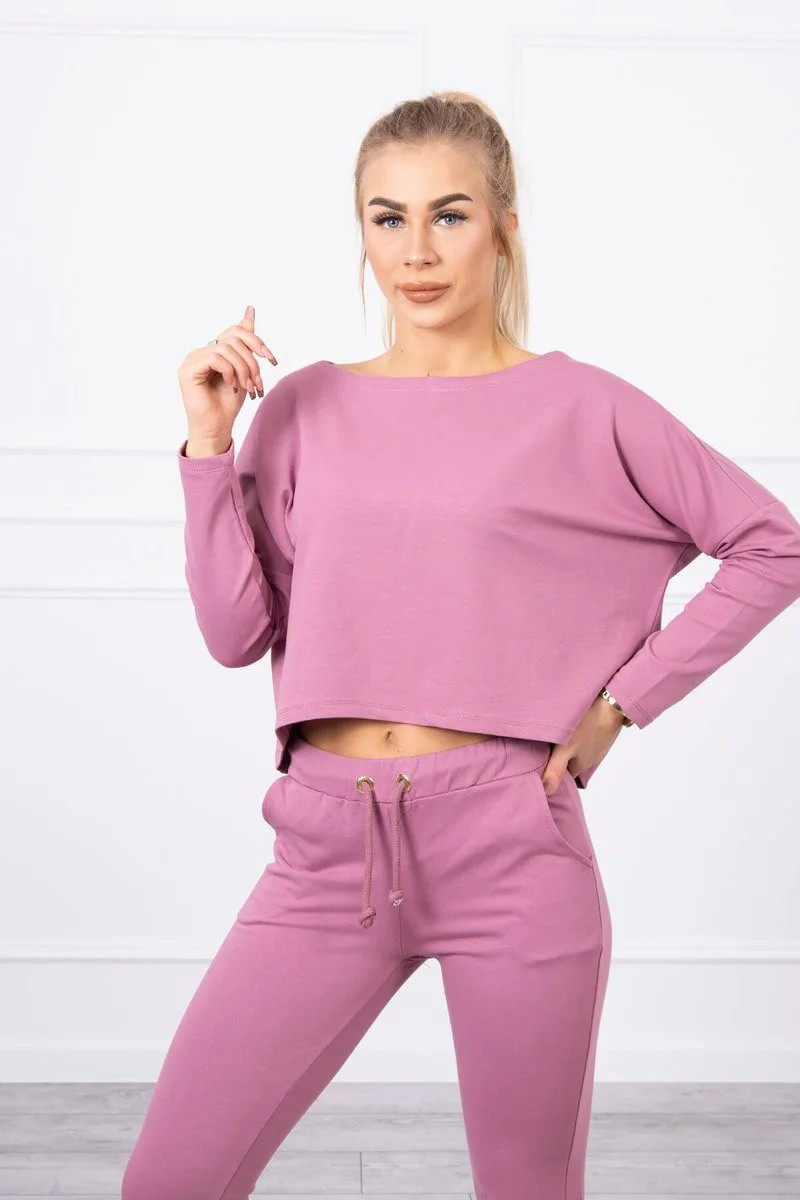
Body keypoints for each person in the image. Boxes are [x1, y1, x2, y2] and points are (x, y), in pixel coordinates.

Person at [122, 91, 800, 1200]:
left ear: (503, 227)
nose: (417, 251)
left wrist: (620, 705)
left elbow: (771, 544)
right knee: (171, 1179)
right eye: (387, 219)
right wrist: (207, 446)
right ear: (361, 233)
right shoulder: (301, 408)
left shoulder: (585, 407)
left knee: (527, 1187)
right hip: (325, 847)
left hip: (510, 845)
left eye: (449, 215)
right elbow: (235, 635)